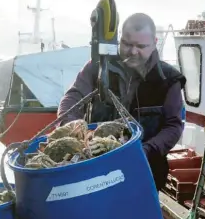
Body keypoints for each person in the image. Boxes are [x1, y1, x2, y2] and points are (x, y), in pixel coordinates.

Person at [57, 13, 186, 191]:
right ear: (120, 38)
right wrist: (72, 128)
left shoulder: (169, 79)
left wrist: (146, 150)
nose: (133, 51)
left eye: (141, 46)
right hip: (94, 168)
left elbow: (173, 126)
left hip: (144, 169)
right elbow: (73, 97)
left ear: (155, 42)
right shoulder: (98, 67)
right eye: (127, 44)